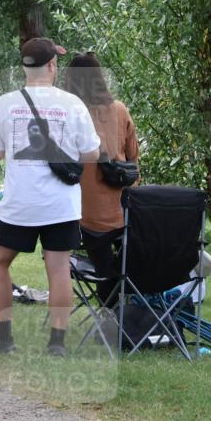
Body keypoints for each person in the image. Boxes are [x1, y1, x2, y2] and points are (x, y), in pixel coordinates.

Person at [0, 37, 101, 357]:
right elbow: (92, 154)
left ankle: (3, 338)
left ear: (24, 68)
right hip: (61, 204)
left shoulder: (4, 104)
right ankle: (57, 343)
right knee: (58, 269)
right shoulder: (72, 104)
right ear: (52, 65)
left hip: (21, 203)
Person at [63, 52, 139, 307]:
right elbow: (133, 156)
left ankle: (111, 306)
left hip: (83, 215)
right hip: (123, 209)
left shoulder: (70, 114)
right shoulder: (119, 109)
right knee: (117, 261)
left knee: (102, 262)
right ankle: (120, 301)